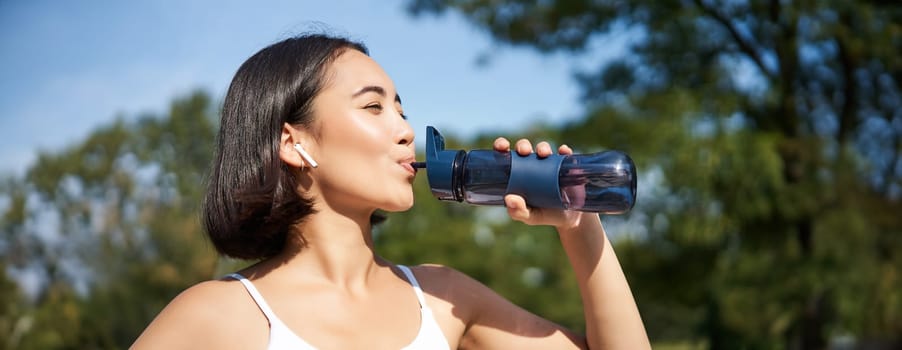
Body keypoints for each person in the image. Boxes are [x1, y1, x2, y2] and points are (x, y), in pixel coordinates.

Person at [131, 33, 650, 349]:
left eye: (402, 108)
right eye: (374, 107)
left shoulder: (443, 297)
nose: (405, 129)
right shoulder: (220, 314)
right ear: (293, 142)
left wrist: (580, 224)